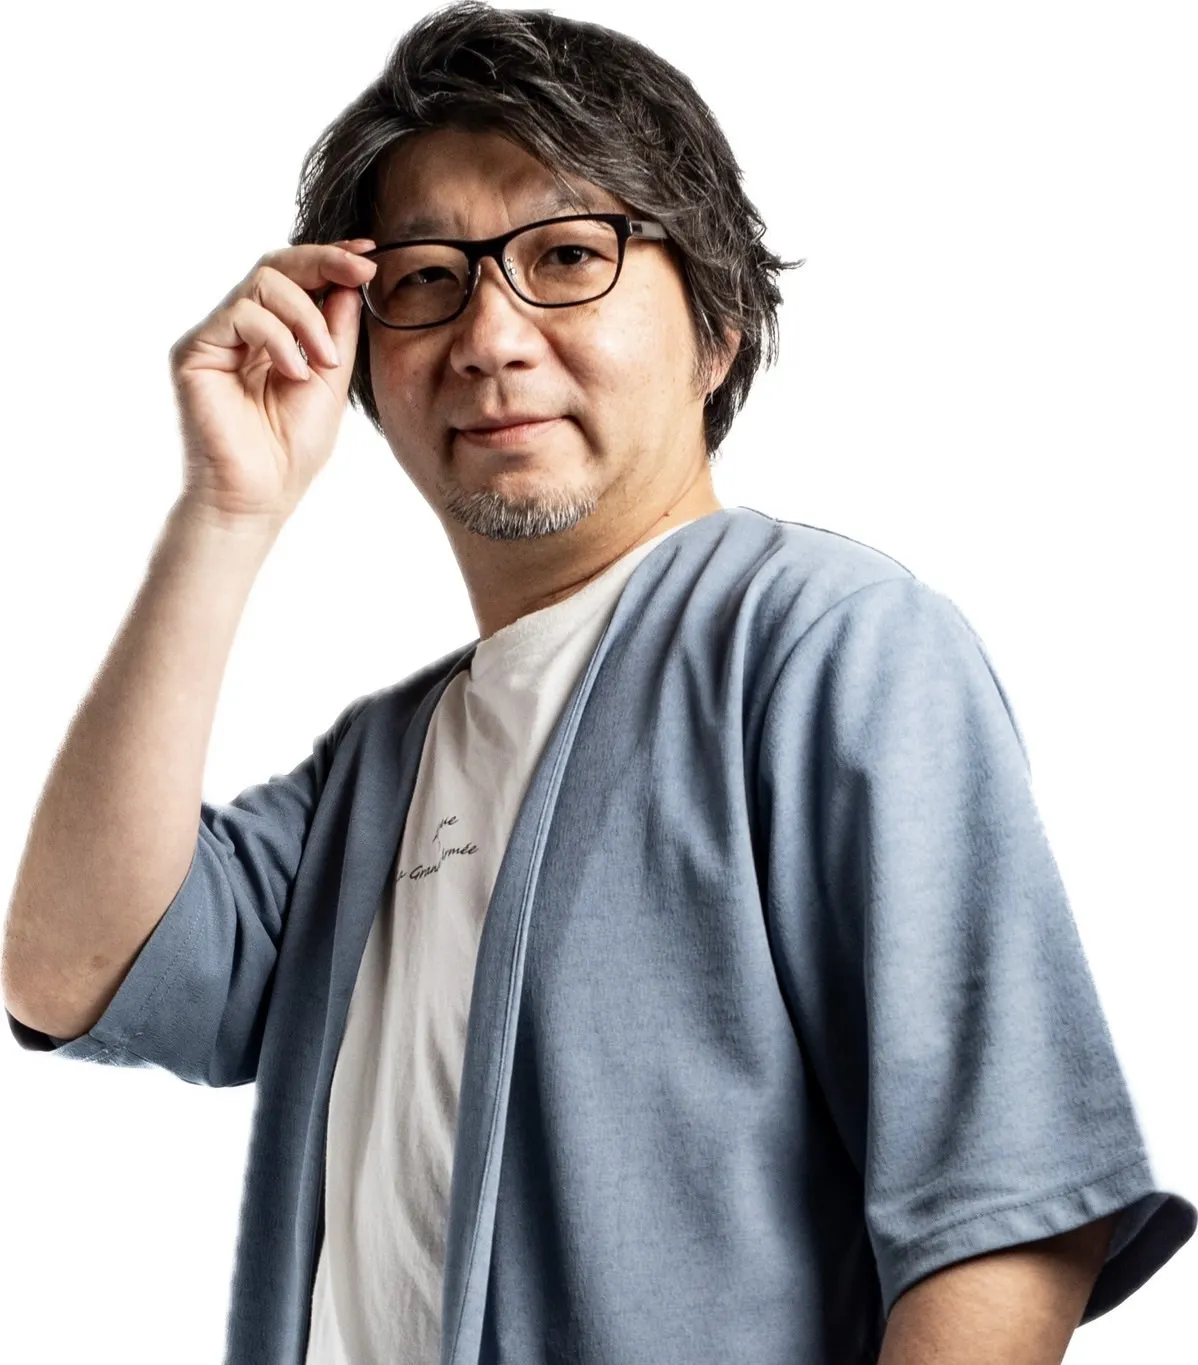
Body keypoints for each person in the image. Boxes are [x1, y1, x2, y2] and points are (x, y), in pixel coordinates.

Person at [3, 4, 1193, 1363]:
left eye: (567, 254)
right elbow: (66, 968)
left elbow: (1004, 1216)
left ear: (718, 326)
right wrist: (227, 510)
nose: (489, 337)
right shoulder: (382, 767)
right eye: (425, 279)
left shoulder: (825, 645)